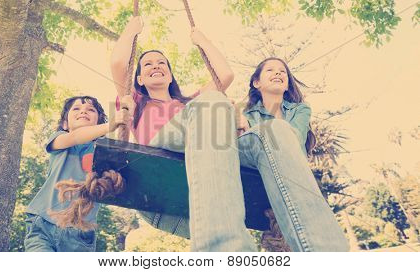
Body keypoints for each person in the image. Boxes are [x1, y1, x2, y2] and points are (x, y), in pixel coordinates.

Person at [111, 16, 256, 251]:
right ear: (139, 78)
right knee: (211, 102)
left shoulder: (189, 103)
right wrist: (131, 30)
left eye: (162, 63)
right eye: (147, 64)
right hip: (157, 179)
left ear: (169, 75)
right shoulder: (136, 100)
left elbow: (225, 75)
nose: (156, 66)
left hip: (195, 193)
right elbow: (118, 64)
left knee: (228, 114)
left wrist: (202, 40)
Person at [234, 57, 350, 251]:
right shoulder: (247, 116)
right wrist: (239, 130)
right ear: (257, 83)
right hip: (258, 180)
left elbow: (293, 141)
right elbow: (247, 148)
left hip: (294, 181)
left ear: (288, 84)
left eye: (283, 71)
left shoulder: (300, 110)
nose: (278, 73)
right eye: (270, 70)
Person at [24, 96, 125, 251]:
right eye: (76, 109)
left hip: (80, 233)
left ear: (97, 123)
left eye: (91, 110)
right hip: (43, 225)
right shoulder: (59, 140)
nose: (83, 110)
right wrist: (110, 125)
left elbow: (126, 154)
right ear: (65, 124)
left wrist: (127, 114)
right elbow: (76, 137)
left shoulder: (103, 153)